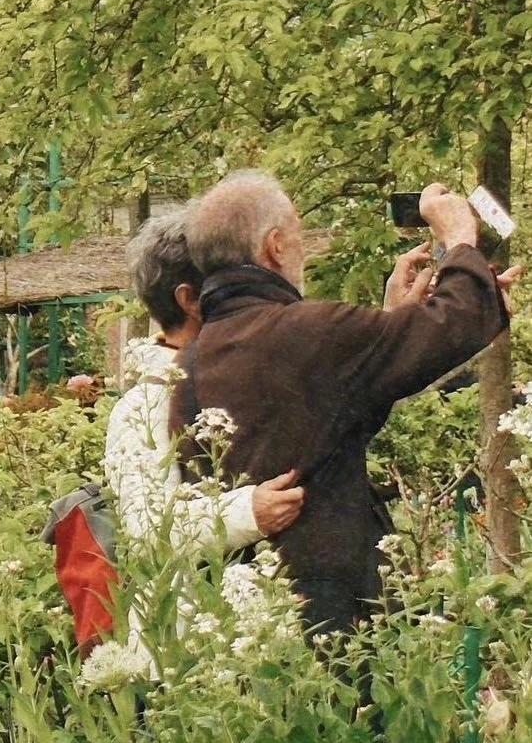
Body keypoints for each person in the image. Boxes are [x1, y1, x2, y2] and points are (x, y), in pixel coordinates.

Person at [169, 173, 511, 636]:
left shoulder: (195, 358)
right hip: (332, 611)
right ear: (274, 246)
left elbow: (329, 416)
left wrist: (394, 324)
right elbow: (447, 327)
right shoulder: (305, 331)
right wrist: (459, 240)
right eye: (297, 234)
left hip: (245, 614)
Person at [104, 208, 304, 557]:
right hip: (194, 607)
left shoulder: (254, 371)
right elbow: (145, 528)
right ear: (190, 301)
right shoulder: (144, 406)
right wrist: (247, 513)